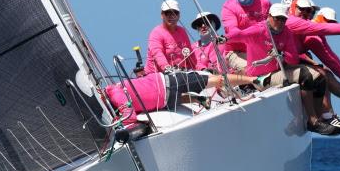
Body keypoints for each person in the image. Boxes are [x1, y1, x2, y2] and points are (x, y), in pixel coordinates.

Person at [225, 3, 337, 135]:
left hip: (277, 72)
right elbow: (239, 35)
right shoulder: (259, 30)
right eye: (277, 18)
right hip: (260, 78)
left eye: (283, 19)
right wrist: (223, 38)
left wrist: (282, 55)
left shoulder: (286, 33)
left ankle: (319, 118)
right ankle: (312, 121)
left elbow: (293, 59)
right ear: (270, 17)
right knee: (305, 75)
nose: (280, 22)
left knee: (319, 77)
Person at [105, 71, 258, 126]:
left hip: (167, 84)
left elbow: (130, 117)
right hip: (164, 101)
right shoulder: (115, 99)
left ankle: (254, 80)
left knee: (215, 80)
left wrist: (117, 124)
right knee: (178, 98)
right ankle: (200, 100)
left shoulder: (114, 94)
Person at [221, 0, 271, 73]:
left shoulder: (264, 3)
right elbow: (233, 32)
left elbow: (273, 24)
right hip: (236, 52)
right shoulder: (229, 6)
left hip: (260, 51)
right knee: (251, 70)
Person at [145, 0, 196, 74]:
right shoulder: (156, 33)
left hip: (180, 75)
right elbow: (157, 53)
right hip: (157, 77)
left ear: (179, 16)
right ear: (162, 15)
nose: (171, 16)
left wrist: (198, 69)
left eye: (174, 13)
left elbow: (190, 54)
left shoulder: (182, 31)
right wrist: (166, 68)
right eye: (167, 13)